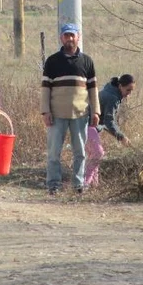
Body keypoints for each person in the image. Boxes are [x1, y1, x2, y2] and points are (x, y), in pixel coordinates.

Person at [41, 23, 100, 195]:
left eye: (72, 35)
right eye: (66, 35)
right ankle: (53, 185)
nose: (70, 39)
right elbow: (45, 89)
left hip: (80, 114)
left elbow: (93, 89)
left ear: (78, 37)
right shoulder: (52, 61)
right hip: (57, 114)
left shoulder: (87, 61)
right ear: (61, 37)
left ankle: (78, 185)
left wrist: (96, 111)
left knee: (80, 152)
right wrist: (45, 111)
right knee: (53, 153)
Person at [84, 74, 136, 189]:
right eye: (128, 90)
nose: (129, 93)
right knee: (98, 154)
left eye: (132, 90)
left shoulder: (111, 92)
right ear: (120, 86)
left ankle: (94, 186)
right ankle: (84, 184)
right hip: (87, 126)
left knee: (94, 156)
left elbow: (106, 122)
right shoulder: (112, 97)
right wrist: (121, 137)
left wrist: (118, 135)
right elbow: (109, 121)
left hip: (88, 126)